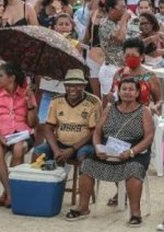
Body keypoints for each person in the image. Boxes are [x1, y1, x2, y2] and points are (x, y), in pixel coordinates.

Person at [65, 78, 155, 227]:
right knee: (87, 165)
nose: (127, 92)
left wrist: (132, 151)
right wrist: (98, 148)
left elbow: (149, 137)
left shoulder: (144, 111)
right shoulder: (109, 108)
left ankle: (135, 212)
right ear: (118, 91)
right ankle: (83, 207)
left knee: (134, 169)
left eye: (131, 89)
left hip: (134, 152)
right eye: (124, 89)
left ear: (137, 92)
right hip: (109, 150)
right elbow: (97, 132)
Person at [0, 62, 37, 208]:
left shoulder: (26, 94)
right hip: (0, 133)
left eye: (1, 75)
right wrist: (1, 139)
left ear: (12, 78)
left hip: (22, 133)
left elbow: (33, 123)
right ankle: (10, 192)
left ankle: (9, 192)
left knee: (18, 149)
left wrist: (30, 104)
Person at [33, 68, 101, 163]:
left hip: (83, 145)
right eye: (69, 85)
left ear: (84, 86)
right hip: (60, 143)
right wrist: (56, 150)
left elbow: (94, 131)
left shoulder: (93, 102)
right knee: (37, 153)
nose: (72, 89)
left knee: (84, 156)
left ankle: (82, 178)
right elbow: (48, 128)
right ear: (64, 86)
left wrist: (72, 149)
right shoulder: (56, 100)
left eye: (77, 86)